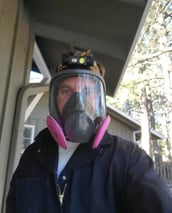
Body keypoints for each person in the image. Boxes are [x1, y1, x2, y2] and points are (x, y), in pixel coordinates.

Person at [6, 50, 172, 213]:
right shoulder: (32, 157)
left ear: (99, 99)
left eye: (88, 91)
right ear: (54, 101)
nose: (78, 101)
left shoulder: (127, 159)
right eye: (66, 91)